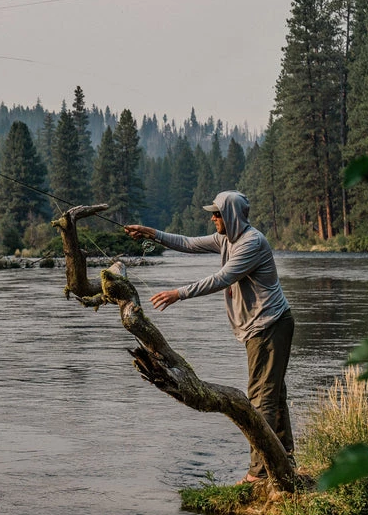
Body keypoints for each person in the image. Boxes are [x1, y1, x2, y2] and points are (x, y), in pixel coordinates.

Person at [123, 190, 294, 483]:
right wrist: (152, 234)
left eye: (216, 213)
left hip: (269, 325)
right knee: (273, 394)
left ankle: (260, 472)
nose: (213, 217)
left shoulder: (251, 243)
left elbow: (222, 278)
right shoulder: (227, 239)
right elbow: (188, 243)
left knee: (261, 396)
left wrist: (179, 293)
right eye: (212, 213)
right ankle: (284, 459)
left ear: (231, 215)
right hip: (263, 326)